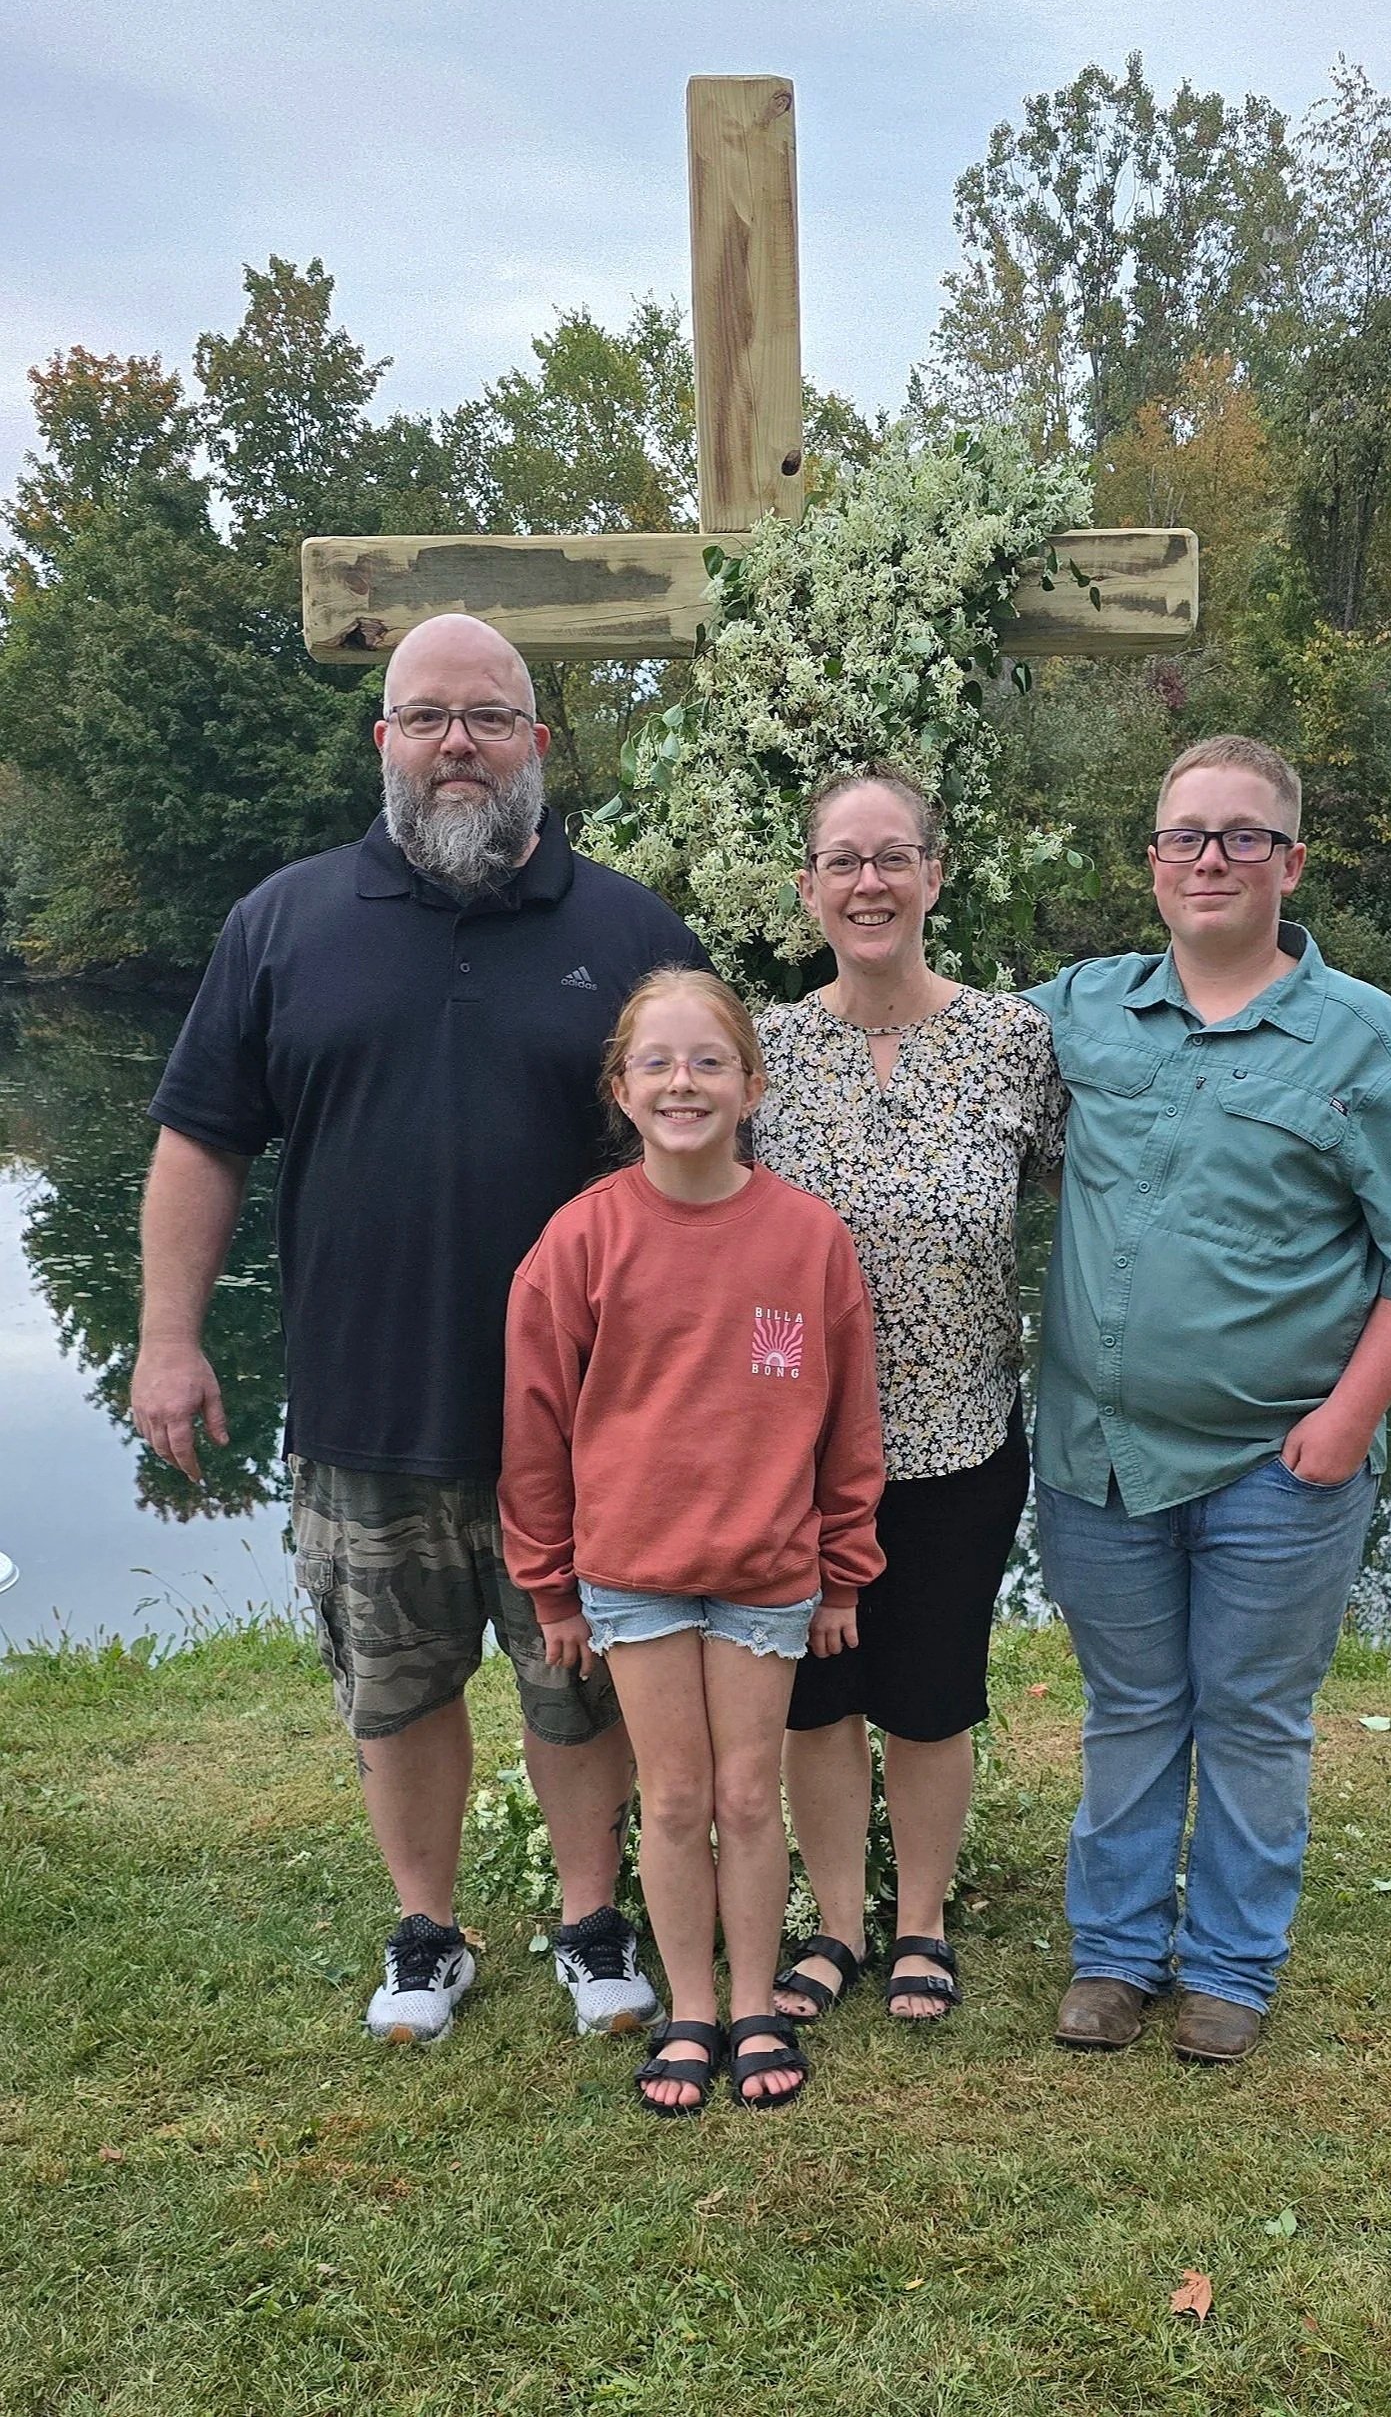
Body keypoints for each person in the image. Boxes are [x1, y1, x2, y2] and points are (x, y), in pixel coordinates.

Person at [131, 612, 706, 2046]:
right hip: (363, 1403)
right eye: (430, 717)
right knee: (394, 1687)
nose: (461, 744)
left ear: (537, 746)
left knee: (576, 1686)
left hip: (588, 1417)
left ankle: (589, 1922)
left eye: (490, 719)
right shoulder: (282, 923)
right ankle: (428, 1934)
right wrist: (167, 1339)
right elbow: (201, 1141)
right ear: (383, 740)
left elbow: (707, 1158)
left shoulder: (629, 931)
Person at [1026, 734, 1391, 2064]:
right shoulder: (1080, 1011)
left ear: (1289, 860)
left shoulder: (1370, 1044)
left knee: (1249, 1716)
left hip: (1275, 1465)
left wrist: (1342, 1428)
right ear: (1154, 861)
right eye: (1185, 835)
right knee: (1128, 1710)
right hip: (1096, 1457)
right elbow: (930, 1042)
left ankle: (1229, 1965)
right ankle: (1114, 1955)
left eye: (1240, 835)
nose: (1210, 857)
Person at [500, 969, 884, 2112]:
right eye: (657, 1062)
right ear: (622, 1089)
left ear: (752, 1084)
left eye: (709, 1060)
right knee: (669, 1801)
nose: (683, 1082)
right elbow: (534, 1426)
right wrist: (552, 1587)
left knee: (746, 1797)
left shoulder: (807, 1239)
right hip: (634, 1574)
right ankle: (691, 2009)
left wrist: (843, 1564)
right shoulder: (580, 1240)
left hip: (769, 1572)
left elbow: (849, 1417)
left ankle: (757, 1999)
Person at [754, 768, 1066, 2024]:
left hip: (957, 1439)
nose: (869, 882)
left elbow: (1085, 1197)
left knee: (932, 1692)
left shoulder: (1013, 1042)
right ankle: (835, 1923)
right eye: (844, 860)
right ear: (809, 889)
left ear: (935, 875)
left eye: (894, 857)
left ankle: (922, 1921)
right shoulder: (764, 1051)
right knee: (815, 1698)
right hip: (790, 1449)